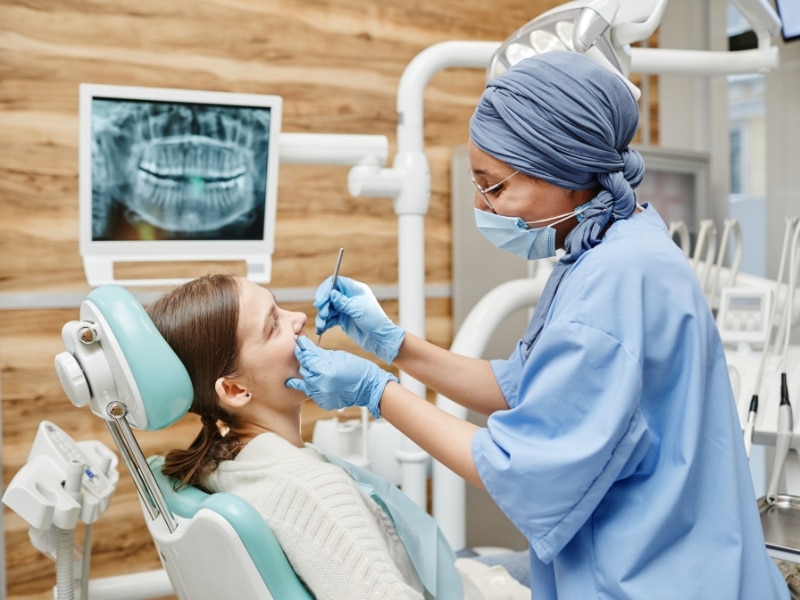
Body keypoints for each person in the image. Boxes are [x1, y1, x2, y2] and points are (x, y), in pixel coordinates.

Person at [287, 51, 790, 599]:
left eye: (495, 188)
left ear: (567, 174)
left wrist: (375, 391)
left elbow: (514, 465)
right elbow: (525, 385)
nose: (483, 206)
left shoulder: (612, 284)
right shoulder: (608, 247)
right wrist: (392, 343)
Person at [146, 273, 466, 600]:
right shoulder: (316, 493)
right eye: (273, 325)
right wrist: (375, 387)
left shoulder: (219, 467)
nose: (298, 318)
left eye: (279, 308)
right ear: (235, 389)